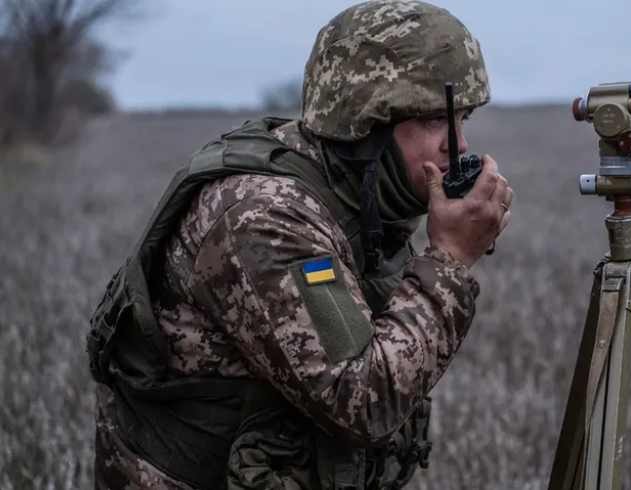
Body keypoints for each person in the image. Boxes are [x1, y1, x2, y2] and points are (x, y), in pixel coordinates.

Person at [87, 1, 513, 488]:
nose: (457, 145)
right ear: (365, 122)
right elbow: (361, 400)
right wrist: (451, 259)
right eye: (435, 121)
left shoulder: (351, 188)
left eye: (462, 120)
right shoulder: (266, 219)